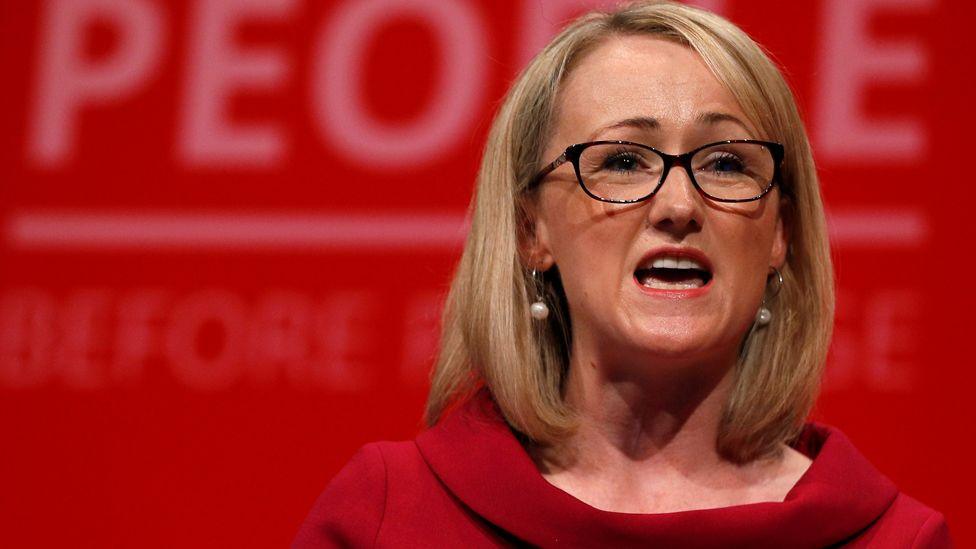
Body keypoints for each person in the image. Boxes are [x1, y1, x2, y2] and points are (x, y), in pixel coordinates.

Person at [294, 2, 952, 547]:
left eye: (725, 163)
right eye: (621, 161)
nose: (677, 206)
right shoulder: (390, 515)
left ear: (781, 233)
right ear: (532, 231)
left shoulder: (896, 538)